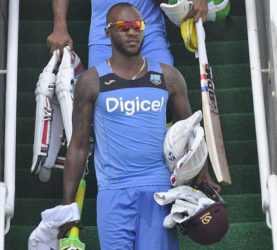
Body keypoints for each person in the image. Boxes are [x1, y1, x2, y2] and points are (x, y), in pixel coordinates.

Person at [58, 3, 220, 249]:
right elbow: (79, 146)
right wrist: (68, 206)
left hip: (159, 190)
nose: (132, 32)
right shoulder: (91, 82)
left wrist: (203, 174)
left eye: (138, 26)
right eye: (124, 27)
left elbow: (191, 132)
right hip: (113, 190)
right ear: (108, 32)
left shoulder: (169, 77)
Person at [47, 0, 208, 67]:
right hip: (105, 38)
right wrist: (59, 27)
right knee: (101, 98)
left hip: (148, 34)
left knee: (167, 89)